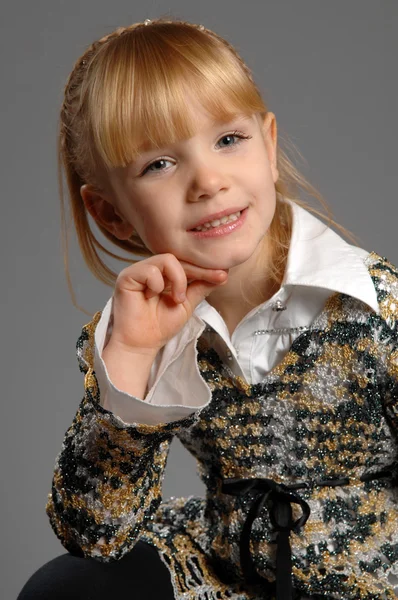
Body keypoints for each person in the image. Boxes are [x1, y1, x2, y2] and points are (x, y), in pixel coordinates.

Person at [18, 17, 398, 600]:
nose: (207, 181)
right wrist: (134, 365)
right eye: (159, 165)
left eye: (228, 140)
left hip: (373, 580)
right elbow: (93, 535)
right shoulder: (141, 330)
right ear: (113, 215)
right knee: (66, 589)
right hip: (229, 574)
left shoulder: (375, 308)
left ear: (268, 147)